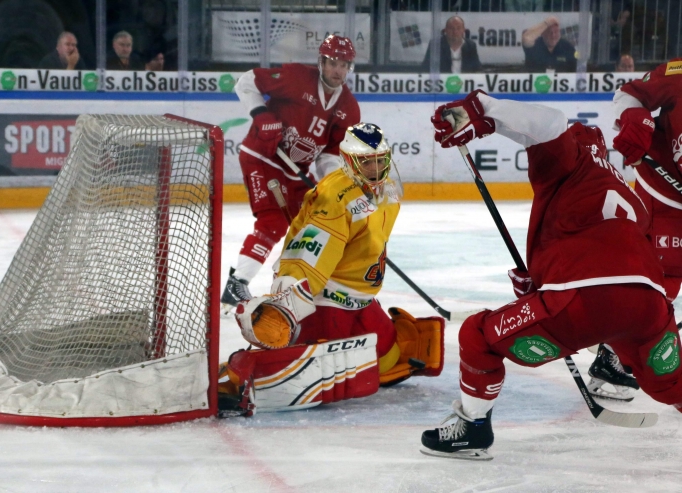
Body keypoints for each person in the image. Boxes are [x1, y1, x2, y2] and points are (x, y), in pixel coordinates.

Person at [419, 89, 681, 461]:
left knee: (478, 334)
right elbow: (615, 261)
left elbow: (549, 123)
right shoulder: (632, 196)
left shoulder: (569, 159)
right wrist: (543, 281)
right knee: (672, 383)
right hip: (648, 303)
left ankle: (471, 428)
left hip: (580, 302)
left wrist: (483, 110)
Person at [218, 123, 444, 416]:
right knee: (309, 372)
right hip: (328, 301)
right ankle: (233, 378)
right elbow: (308, 253)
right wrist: (290, 298)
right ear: (350, 161)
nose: (375, 168)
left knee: (391, 361)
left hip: (362, 300)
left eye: (380, 159)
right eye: (366, 161)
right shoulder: (335, 198)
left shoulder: (387, 188)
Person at [219, 34, 361, 314]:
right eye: (333, 62)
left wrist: (331, 184)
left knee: (305, 227)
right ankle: (237, 284)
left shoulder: (349, 109)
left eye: (345, 65)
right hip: (263, 157)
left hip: (296, 172)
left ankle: (290, 285)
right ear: (321, 61)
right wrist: (261, 114)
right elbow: (246, 81)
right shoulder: (296, 77)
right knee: (272, 222)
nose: (338, 70)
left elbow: (331, 153)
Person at [591, 58, 682, 401]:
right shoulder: (679, 75)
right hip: (660, 189)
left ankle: (612, 344)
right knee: (660, 278)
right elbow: (630, 94)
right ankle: (613, 353)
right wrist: (636, 121)